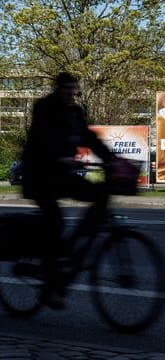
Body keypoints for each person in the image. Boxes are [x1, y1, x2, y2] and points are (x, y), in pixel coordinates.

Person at [22, 72, 114, 309]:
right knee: (55, 221)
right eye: (66, 89)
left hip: (62, 174)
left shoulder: (75, 111)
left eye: (73, 89)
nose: (71, 93)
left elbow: (88, 138)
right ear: (57, 89)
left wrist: (111, 159)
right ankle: (50, 285)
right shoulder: (43, 107)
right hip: (39, 174)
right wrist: (60, 157)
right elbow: (42, 137)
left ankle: (72, 251)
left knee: (99, 196)